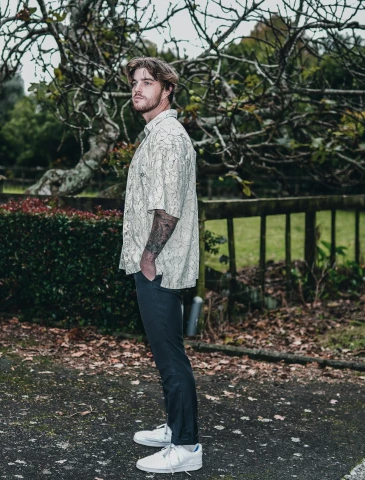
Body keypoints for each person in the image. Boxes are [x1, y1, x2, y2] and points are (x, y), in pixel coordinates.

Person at [119, 57, 202, 474]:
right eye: (134, 82)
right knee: (166, 350)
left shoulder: (168, 138)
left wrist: (149, 255)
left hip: (160, 265)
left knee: (170, 355)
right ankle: (175, 427)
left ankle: (186, 447)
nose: (137, 88)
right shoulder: (158, 134)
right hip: (158, 263)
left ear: (167, 89)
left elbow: (167, 208)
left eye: (147, 82)